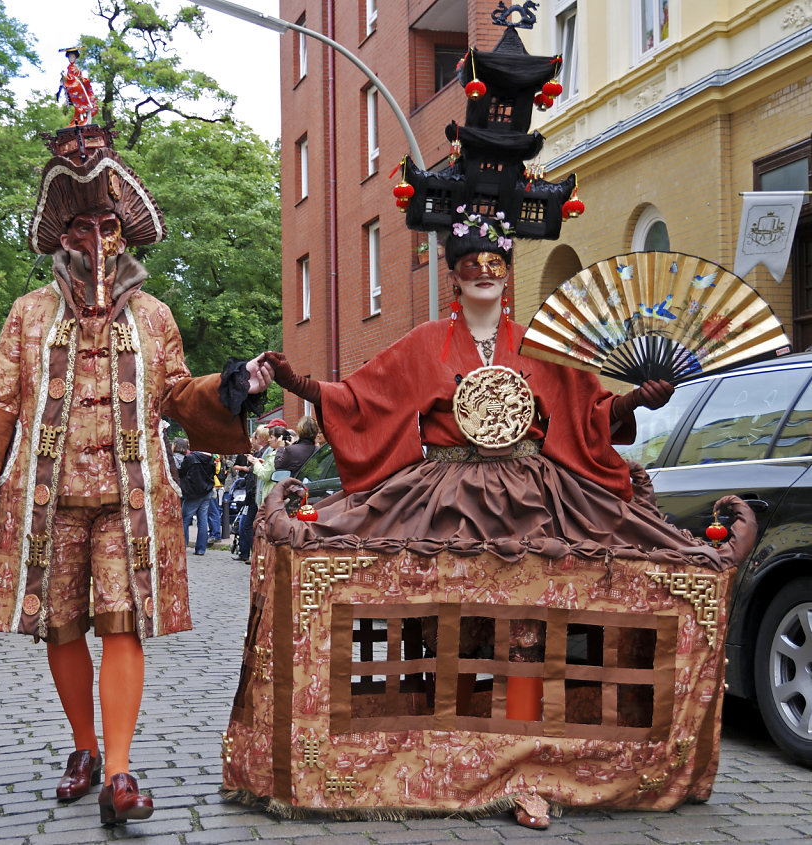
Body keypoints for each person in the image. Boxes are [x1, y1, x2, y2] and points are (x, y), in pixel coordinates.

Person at [262, 223, 757, 827]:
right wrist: (300, 385)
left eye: (495, 261)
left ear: (507, 270)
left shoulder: (538, 344)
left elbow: (587, 410)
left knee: (527, 630)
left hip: (533, 495)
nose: (484, 271)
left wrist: (636, 401)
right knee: (447, 622)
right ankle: (451, 759)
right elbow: (367, 399)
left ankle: (524, 765)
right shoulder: (427, 343)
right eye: (471, 260)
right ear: (453, 272)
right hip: (444, 495)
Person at [0, 125, 272, 827]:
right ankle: (84, 746)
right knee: (61, 629)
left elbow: (179, 395)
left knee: (122, 626)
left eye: (109, 222)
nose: (97, 236)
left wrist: (234, 387)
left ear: (126, 233)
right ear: (62, 232)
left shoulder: (154, 316)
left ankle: (119, 771)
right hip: (49, 498)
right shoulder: (28, 314)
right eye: (83, 223)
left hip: (130, 501)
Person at [232, 426, 268, 561]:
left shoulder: (263, 454)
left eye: (253, 438)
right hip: (251, 494)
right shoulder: (257, 454)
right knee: (244, 524)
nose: (251, 442)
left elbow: (262, 474)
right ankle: (245, 553)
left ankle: (253, 554)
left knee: (247, 525)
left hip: (254, 495)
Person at [178, 447, 215, 555]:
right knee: (203, 520)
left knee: (185, 519)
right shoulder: (210, 458)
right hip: (206, 491)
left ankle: (182, 546)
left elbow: (181, 472)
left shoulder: (191, 458)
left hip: (193, 493)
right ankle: (201, 549)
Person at [56, 46, 98, 127]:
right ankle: (83, 120)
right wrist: (65, 77)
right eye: (70, 57)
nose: (71, 58)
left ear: (75, 57)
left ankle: (86, 121)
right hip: (76, 88)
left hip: (80, 87)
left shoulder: (76, 68)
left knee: (88, 101)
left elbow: (78, 77)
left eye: (73, 57)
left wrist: (82, 80)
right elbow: (70, 78)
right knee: (85, 103)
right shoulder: (70, 68)